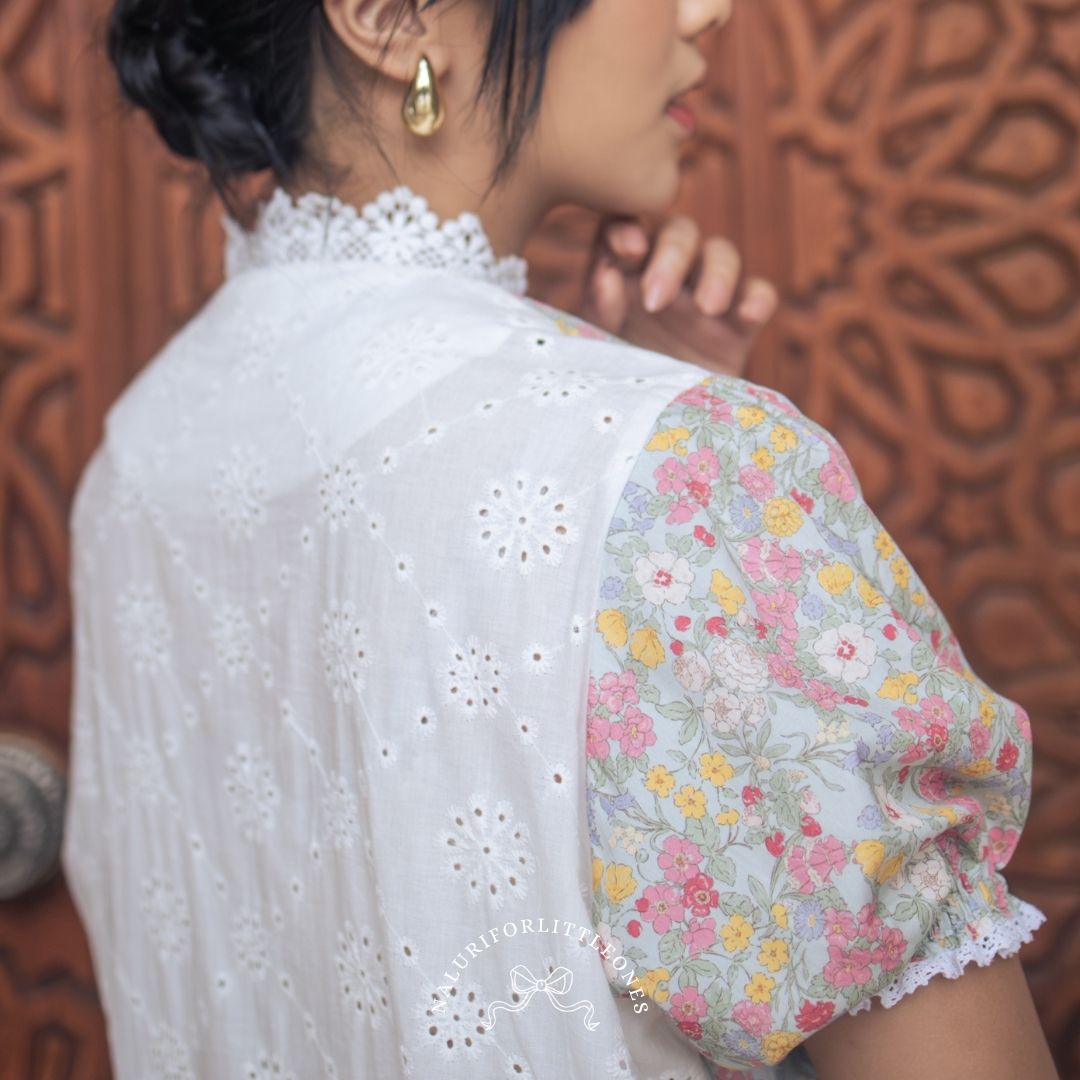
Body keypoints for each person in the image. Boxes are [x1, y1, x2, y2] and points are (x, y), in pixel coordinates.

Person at [61, 1, 1059, 1077]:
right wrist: (656, 469)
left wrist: (636, 444)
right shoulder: (681, 471)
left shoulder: (134, 460)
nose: (707, 11)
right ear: (390, 18)